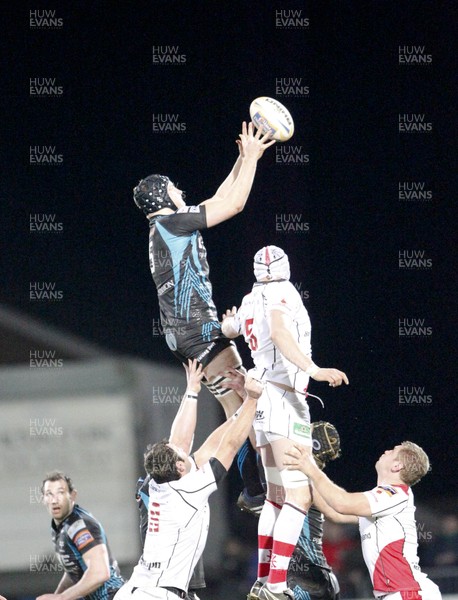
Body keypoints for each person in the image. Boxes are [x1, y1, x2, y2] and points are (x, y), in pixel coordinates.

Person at [133, 122, 275, 513]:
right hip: (197, 329)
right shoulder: (172, 222)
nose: (182, 192)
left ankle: (254, 490)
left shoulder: (163, 226)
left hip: (184, 332)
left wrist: (245, 158)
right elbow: (234, 205)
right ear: (163, 194)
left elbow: (218, 196)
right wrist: (251, 160)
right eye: (175, 187)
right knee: (243, 404)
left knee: (241, 402)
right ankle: (254, 489)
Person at [222, 245, 349, 600]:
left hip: (262, 399)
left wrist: (230, 324)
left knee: (276, 498)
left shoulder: (250, 298)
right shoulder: (283, 290)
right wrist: (314, 369)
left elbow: (229, 327)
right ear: (285, 267)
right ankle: (276, 584)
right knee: (297, 495)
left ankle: (263, 581)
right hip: (284, 397)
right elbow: (279, 332)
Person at [114, 360, 264, 600]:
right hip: (158, 595)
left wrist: (193, 390)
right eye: (183, 454)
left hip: (137, 590)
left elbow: (183, 442)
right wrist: (253, 400)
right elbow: (229, 444)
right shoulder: (189, 489)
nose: (187, 448)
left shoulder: (153, 484)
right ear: (180, 466)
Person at [284, 441, 442, 600]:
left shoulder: (394, 494)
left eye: (393, 451)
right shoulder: (386, 500)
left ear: (397, 466)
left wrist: (311, 468)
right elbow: (334, 512)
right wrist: (304, 479)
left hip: (408, 594)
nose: (387, 450)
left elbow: (341, 503)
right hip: (403, 593)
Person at [37, 472, 124, 600]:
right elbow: (74, 570)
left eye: (61, 493)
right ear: (43, 499)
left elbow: (100, 573)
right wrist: (57, 595)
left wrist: (61, 598)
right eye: (49, 494)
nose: (54, 500)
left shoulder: (80, 525)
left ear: (72, 496)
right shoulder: (59, 528)